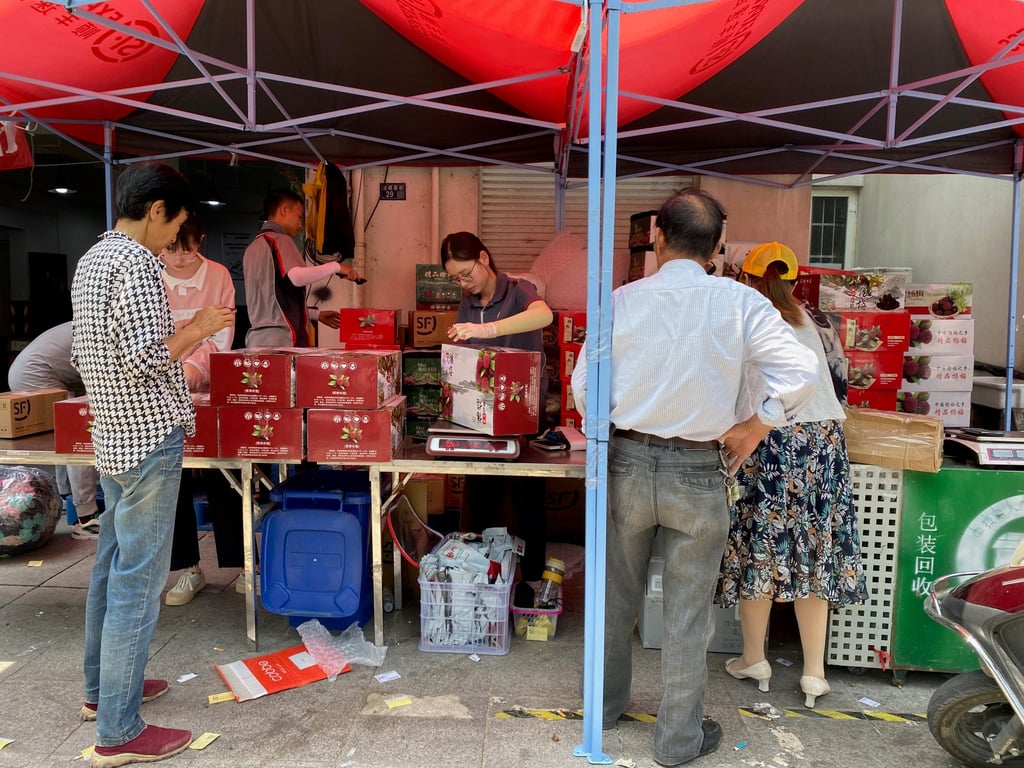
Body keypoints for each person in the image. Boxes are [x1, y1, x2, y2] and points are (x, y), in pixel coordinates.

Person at [570, 190, 819, 767]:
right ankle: (677, 740)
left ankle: (602, 711)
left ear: (656, 235)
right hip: (699, 471)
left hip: (626, 462)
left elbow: (587, 389)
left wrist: (612, 428)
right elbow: (801, 369)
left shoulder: (622, 301)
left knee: (615, 598)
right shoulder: (741, 304)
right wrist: (757, 424)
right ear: (719, 246)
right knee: (687, 613)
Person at [71, 161, 234, 767]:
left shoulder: (93, 259)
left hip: (111, 436)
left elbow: (102, 353)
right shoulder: (139, 264)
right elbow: (146, 359)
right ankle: (118, 730)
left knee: (111, 568)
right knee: (139, 584)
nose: (176, 242)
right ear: (157, 209)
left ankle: (102, 693)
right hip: (146, 437)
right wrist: (198, 327)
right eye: (178, 226)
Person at [715, 242, 868, 708]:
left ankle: (754, 658)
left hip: (771, 436)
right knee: (816, 552)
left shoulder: (748, 319)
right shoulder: (818, 323)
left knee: (758, 544)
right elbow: (840, 386)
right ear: (794, 279)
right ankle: (814, 674)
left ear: (745, 278)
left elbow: (732, 387)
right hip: (823, 441)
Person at [440, 231, 553, 580]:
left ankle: (531, 581)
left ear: (484, 259)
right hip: (481, 418)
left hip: (523, 416)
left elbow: (544, 316)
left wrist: (488, 331)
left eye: (466, 273)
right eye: (455, 278)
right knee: (479, 499)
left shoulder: (519, 290)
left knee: (527, 502)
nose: (463, 283)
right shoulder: (467, 304)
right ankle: (477, 578)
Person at [158, 214, 248, 607]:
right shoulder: (149, 275)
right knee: (171, 474)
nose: (178, 259)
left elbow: (221, 333)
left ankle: (244, 564)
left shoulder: (218, 276)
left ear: (202, 241)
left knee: (225, 471)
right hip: (159, 387)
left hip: (210, 385)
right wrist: (169, 369)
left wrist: (194, 368)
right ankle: (188, 569)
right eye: (169, 249)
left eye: (187, 249)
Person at [7, 321, 102, 539]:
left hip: (29, 370)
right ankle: (86, 520)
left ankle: (66, 494)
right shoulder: (100, 329)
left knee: (65, 434)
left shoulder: (90, 319)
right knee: (78, 435)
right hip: (34, 375)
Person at [243, 188, 361, 348]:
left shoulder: (252, 248)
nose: (300, 225)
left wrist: (315, 315)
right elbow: (297, 277)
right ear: (284, 210)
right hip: (283, 339)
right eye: (299, 217)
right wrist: (337, 266)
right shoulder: (280, 240)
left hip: (257, 341)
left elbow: (274, 301)